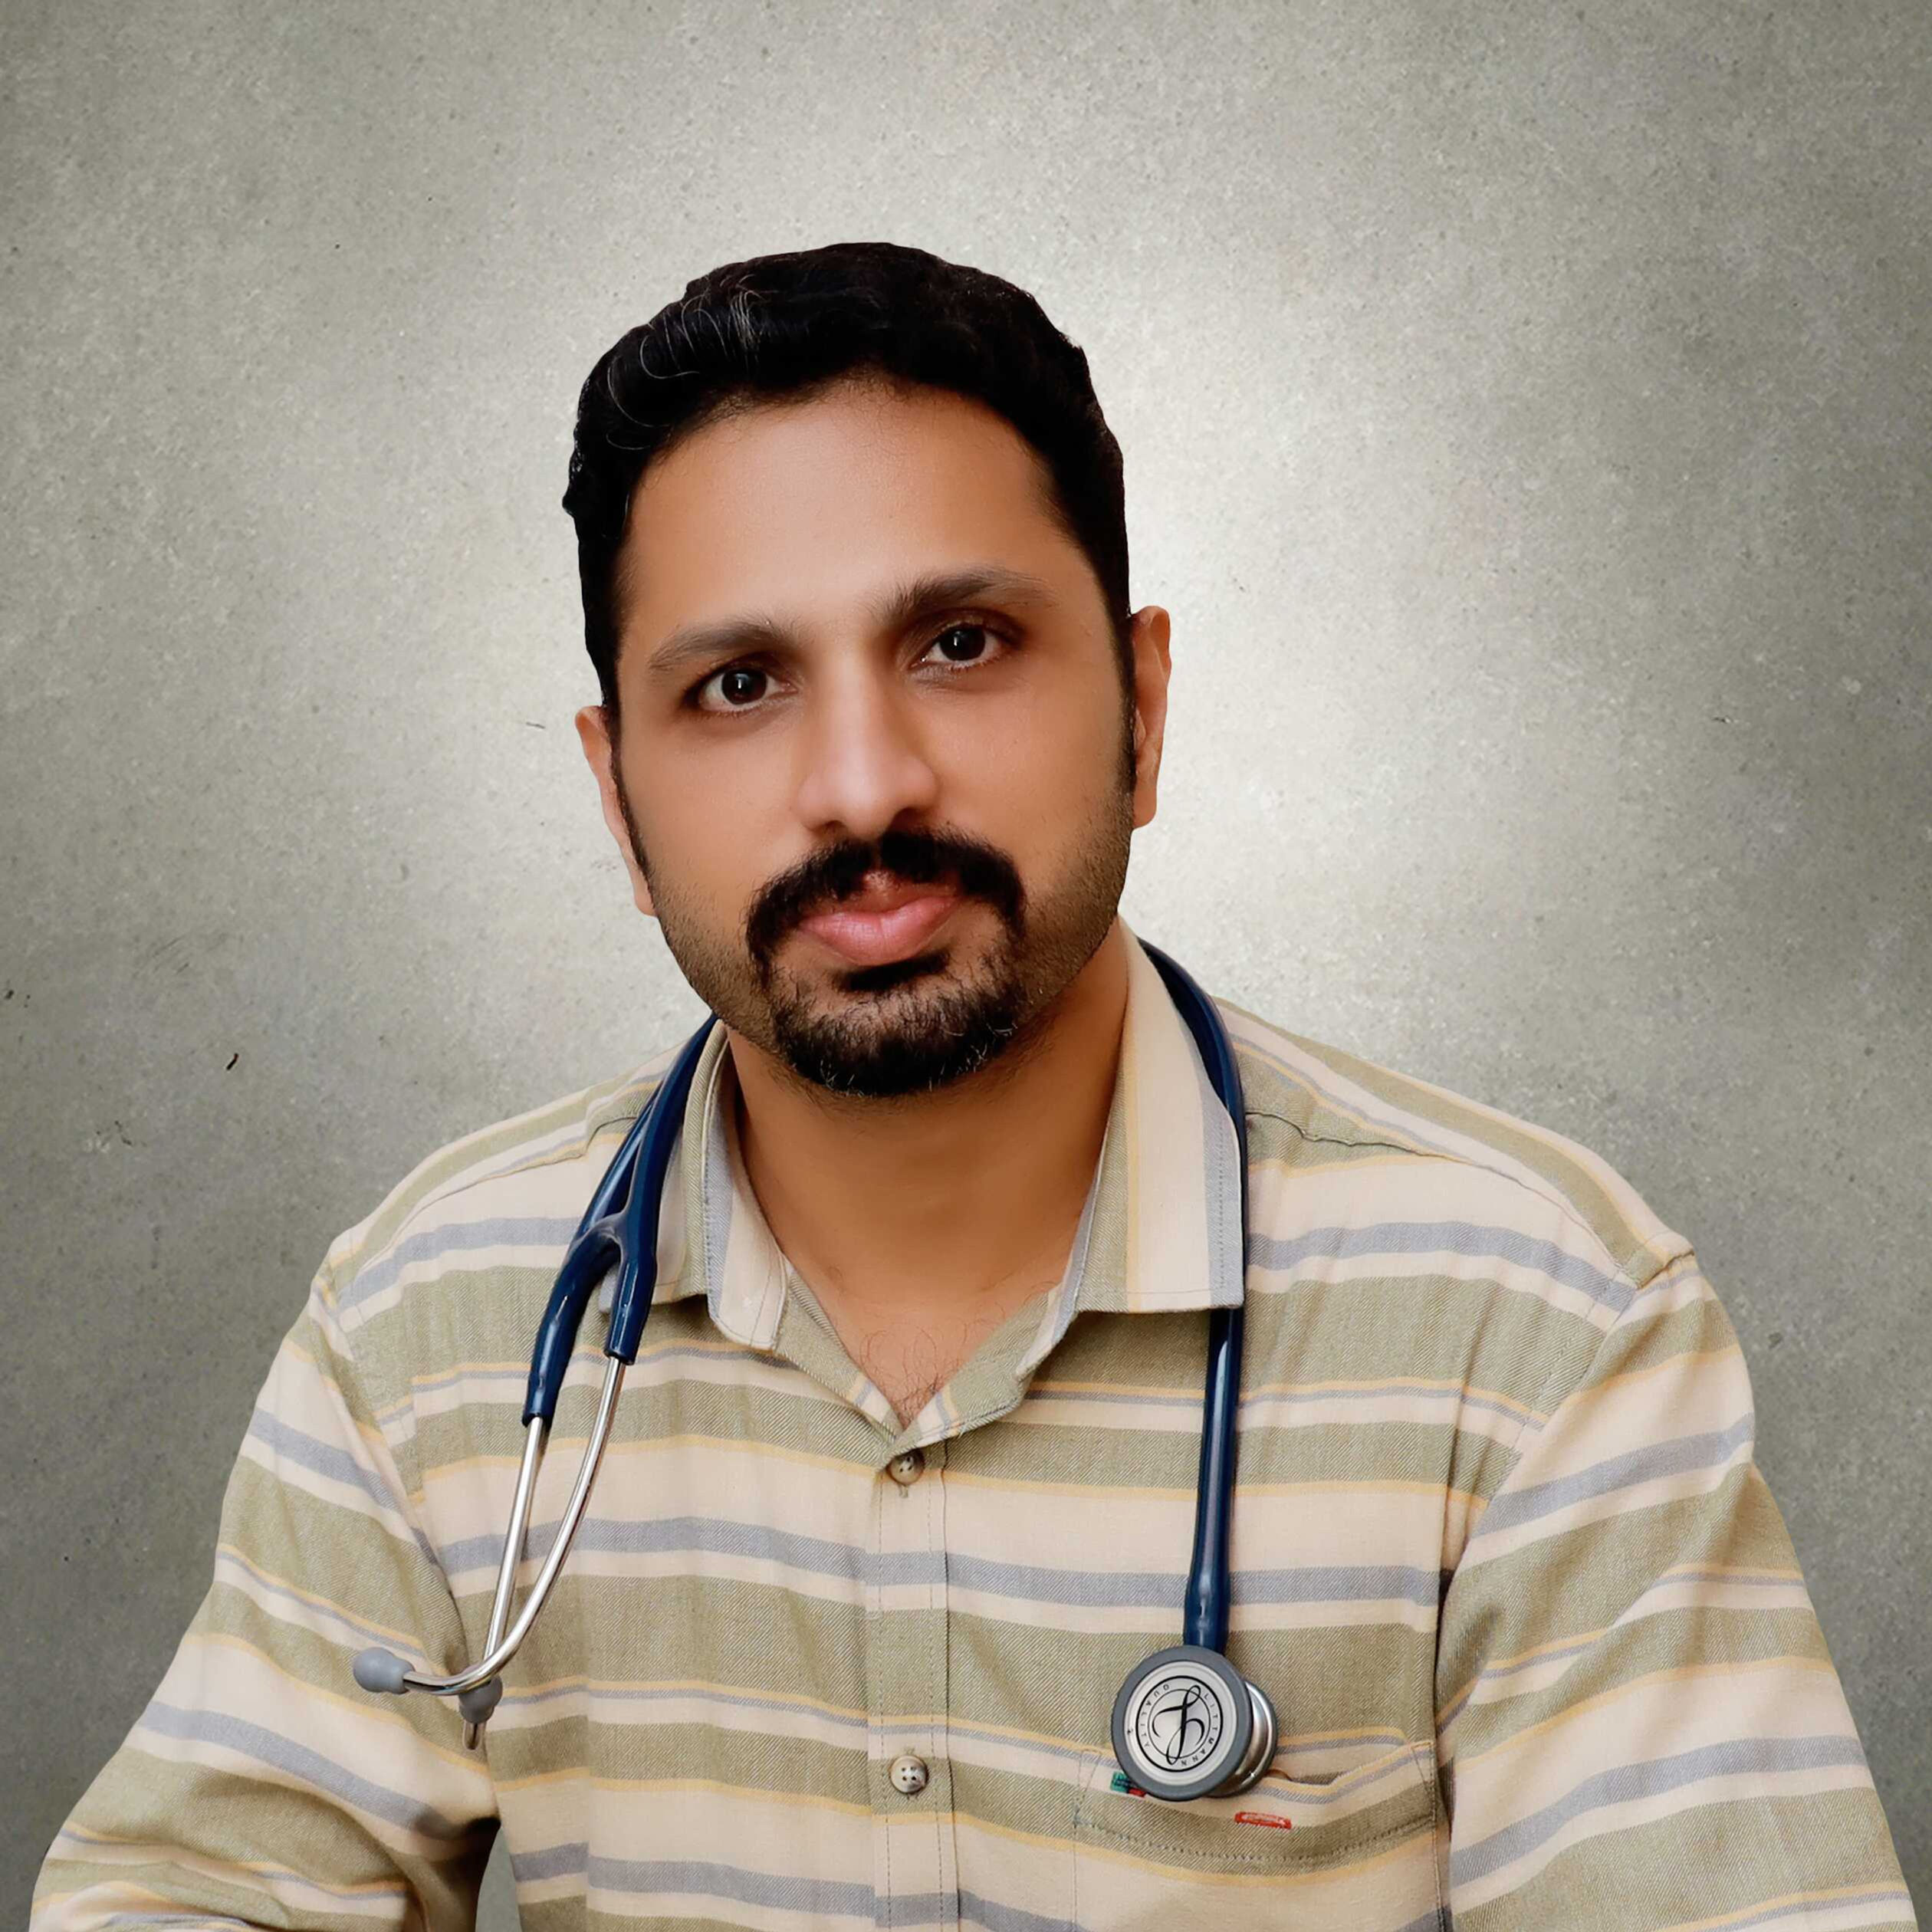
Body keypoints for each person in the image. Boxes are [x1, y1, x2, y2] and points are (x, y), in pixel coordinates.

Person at [32, 241, 1914, 1932]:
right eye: (740, 685)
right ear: (617, 798)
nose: (865, 786)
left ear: (1143, 709)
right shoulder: (430, 1327)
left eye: (961, 644)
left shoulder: (1536, 1325)